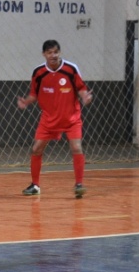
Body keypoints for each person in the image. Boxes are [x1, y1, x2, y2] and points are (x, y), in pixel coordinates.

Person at [16, 39, 93, 198]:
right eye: (50, 53)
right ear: (44, 54)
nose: (53, 55)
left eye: (56, 52)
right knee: (36, 149)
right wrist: (26, 102)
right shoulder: (38, 73)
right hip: (49, 119)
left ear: (60, 53)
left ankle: (79, 184)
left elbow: (81, 89)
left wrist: (85, 97)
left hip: (71, 118)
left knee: (77, 148)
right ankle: (35, 185)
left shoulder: (70, 69)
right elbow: (34, 94)